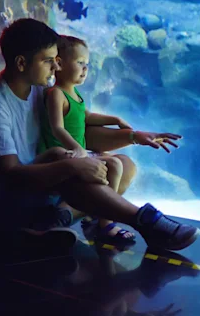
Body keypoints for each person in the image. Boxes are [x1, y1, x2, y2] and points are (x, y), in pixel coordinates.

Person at [0, 18, 200, 251]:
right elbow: (10, 175)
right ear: (22, 63)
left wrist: (133, 136)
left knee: (124, 165)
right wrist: (72, 167)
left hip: (40, 192)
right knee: (63, 159)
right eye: (48, 61)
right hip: (3, 208)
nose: (56, 67)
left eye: (56, 59)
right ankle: (145, 222)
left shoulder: (40, 90)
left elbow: (80, 133)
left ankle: (55, 221)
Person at [40, 34, 136, 244]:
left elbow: (87, 116)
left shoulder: (75, 94)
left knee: (116, 162)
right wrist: (77, 148)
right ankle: (105, 223)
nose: (85, 69)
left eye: (87, 64)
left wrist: (116, 119)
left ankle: (98, 214)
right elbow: (57, 128)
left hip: (77, 153)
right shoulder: (56, 94)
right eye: (80, 63)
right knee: (113, 165)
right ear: (59, 63)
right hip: (62, 156)